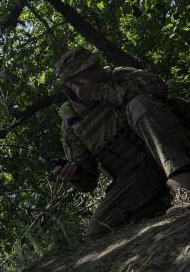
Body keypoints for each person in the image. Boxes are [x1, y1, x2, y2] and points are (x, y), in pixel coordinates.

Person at [53, 47, 190, 238]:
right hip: (137, 175)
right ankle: (164, 199)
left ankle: (184, 189)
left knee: (139, 104)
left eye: (96, 66)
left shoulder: (122, 75)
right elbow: (88, 182)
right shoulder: (73, 122)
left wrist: (100, 91)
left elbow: (157, 87)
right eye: (90, 71)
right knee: (97, 232)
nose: (98, 71)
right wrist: (75, 175)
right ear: (72, 84)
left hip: (177, 149)